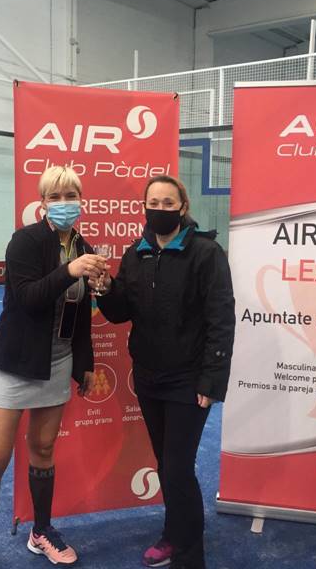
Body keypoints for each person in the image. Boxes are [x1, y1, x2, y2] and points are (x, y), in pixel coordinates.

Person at [0, 165, 107, 569]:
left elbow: (82, 315)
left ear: (81, 200)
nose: (64, 203)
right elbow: (27, 299)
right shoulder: (24, 241)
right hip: (14, 365)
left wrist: (85, 364)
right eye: (55, 197)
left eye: (70, 195)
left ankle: (40, 531)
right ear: (42, 203)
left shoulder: (84, 246)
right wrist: (70, 271)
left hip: (57, 364)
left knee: (42, 450)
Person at [92, 175, 235, 569]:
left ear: (182, 207)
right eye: (152, 202)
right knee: (166, 466)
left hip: (189, 380)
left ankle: (190, 557)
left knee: (177, 470)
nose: (159, 209)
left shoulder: (206, 253)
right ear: (144, 207)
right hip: (149, 377)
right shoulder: (135, 253)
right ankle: (174, 535)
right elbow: (121, 312)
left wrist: (212, 379)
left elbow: (221, 319)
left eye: (168, 203)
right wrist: (106, 289)